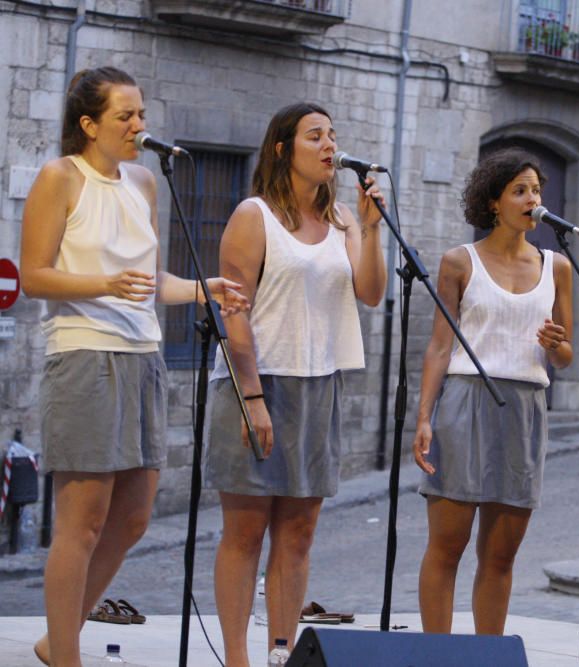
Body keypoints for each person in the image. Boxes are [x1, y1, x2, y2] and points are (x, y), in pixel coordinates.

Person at [19, 66, 248, 667]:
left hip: (143, 359)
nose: (139, 126)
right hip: (84, 355)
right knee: (83, 523)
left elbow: (148, 283)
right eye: (126, 116)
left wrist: (203, 289)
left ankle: (55, 638)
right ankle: (64, 653)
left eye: (141, 114)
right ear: (89, 124)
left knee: (134, 517)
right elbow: (34, 275)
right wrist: (104, 283)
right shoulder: (60, 177)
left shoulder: (144, 182)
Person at [204, 102, 386, 666]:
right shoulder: (252, 215)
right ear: (282, 148)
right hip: (257, 380)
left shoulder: (342, 222)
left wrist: (372, 229)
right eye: (315, 136)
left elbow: (371, 292)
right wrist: (251, 396)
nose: (330, 145)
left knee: (299, 531)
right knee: (246, 530)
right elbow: (234, 313)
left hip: (319, 382)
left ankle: (281, 653)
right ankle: (237, 657)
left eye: (333, 135)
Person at [412, 149, 573, 635]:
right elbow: (440, 346)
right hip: (464, 403)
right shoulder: (459, 262)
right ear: (493, 202)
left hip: (525, 408)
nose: (532, 199)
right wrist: (423, 418)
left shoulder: (558, 267)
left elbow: (564, 358)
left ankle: (488, 655)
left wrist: (558, 344)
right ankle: (437, 656)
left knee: (500, 554)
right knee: (448, 545)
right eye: (520, 190)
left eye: (537, 190)